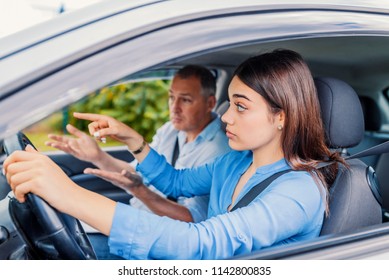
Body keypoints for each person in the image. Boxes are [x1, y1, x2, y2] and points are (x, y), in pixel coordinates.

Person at [4, 49, 344, 260]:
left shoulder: (299, 191)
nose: (225, 116)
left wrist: (69, 195)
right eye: (229, 104)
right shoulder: (235, 162)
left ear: (282, 116)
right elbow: (174, 180)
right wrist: (134, 139)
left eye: (240, 107)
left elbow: (201, 244)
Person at [45, 65, 230, 223]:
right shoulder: (170, 130)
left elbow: (192, 219)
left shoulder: (218, 151)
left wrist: (139, 191)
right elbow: (137, 173)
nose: (174, 108)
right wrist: (98, 156)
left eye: (186, 100)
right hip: (138, 222)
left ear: (210, 103)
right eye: (172, 97)